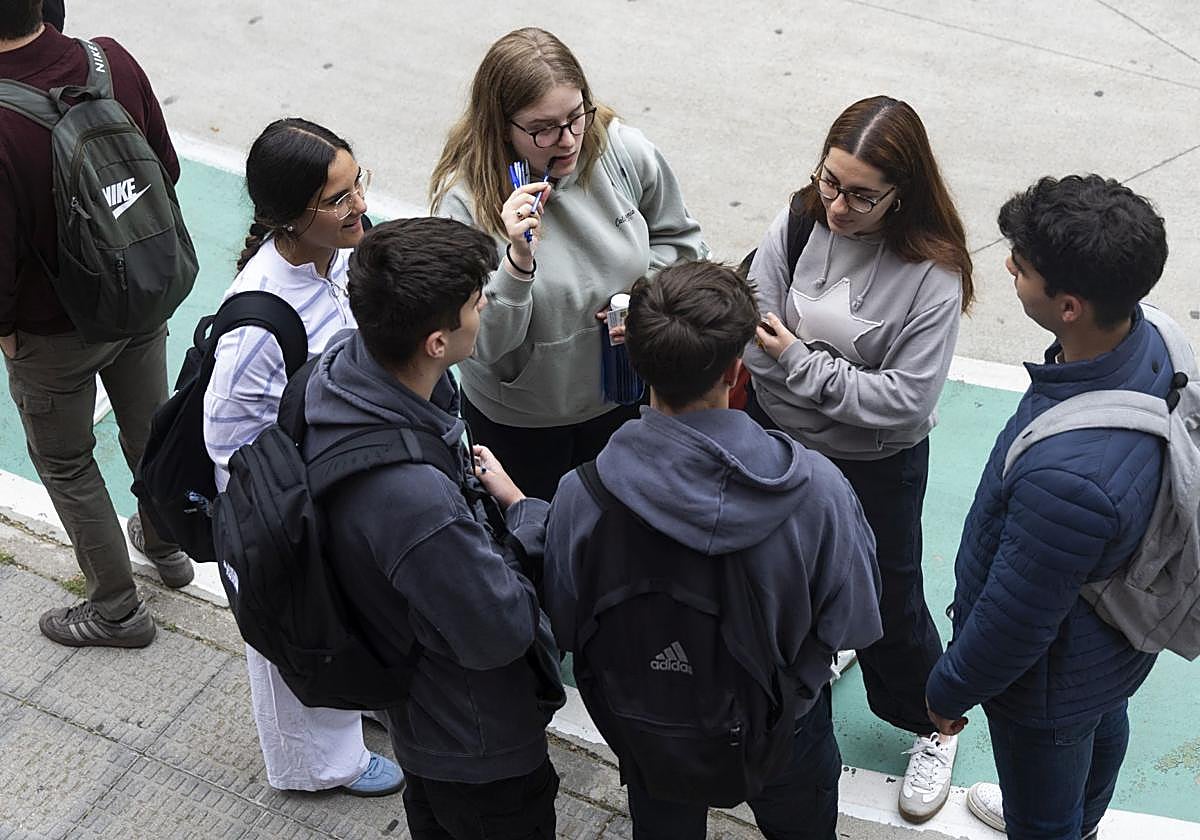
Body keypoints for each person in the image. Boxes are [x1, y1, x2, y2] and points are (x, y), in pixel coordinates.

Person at [544, 261, 883, 839]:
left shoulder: (584, 495)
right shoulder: (817, 491)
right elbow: (852, 622)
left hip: (648, 725)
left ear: (634, 359)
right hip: (783, 724)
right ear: (736, 369)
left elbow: (566, 625)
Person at [741, 95, 974, 822]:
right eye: (830, 182)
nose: (838, 205)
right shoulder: (800, 216)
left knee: (888, 602)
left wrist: (801, 369)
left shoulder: (934, 276)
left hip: (877, 468)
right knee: (781, 572)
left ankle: (936, 725)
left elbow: (903, 403)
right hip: (778, 439)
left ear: (903, 195)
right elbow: (754, 329)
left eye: (862, 195)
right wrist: (825, 386)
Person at [926, 175, 1171, 840]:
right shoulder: (1154, 343)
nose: (1008, 266)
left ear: (1069, 306)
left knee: (1044, 813)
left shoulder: (1070, 479)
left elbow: (1015, 623)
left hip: (1047, 684)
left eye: (1022, 267)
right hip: (1109, 651)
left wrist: (948, 693)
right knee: (1098, 730)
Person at [303, 216, 562, 839]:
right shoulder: (415, 503)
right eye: (476, 304)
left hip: (417, 713)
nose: (483, 311)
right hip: (472, 742)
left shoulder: (341, 370)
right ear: (436, 343)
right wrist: (525, 519)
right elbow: (498, 630)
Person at [201, 118, 402, 797]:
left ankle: (357, 701)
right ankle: (317, 767)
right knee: (296, 637)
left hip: (338, 485)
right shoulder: (258, 325)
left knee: (345, 617)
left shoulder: (340, 257)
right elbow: (226, 442)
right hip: (284, 507)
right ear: (288, 215)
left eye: (357, 185)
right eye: (339, 199)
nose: (360, 207)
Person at [429, 26, 706, 501]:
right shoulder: (464, 206)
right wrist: (517, 262)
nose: (568, 140)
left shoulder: (619, 150)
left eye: (576, 116)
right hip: (522, 421)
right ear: (501, 127)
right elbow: (483, 345)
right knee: (536, 547)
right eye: (542, 129)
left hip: (623, 395)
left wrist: (648, 296)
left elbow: (682, 243)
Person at [0, 0, 192, 649]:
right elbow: (165, 170)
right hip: (138, 296)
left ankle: (116, 609)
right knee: (149, 431)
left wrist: (7, 333)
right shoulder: (111, 62)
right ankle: (167, 548)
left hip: (52, 333)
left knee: (65, 460)